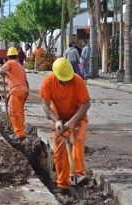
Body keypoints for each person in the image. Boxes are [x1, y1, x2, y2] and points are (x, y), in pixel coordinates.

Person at [40, 57, 91, 195]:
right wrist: (56, 121)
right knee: (60, 152)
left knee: (77, 140)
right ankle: (63, 184)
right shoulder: (48, 82)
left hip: (78, 118)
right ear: (55, 75)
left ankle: (78, 175)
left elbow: (86, 104)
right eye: (63, 80)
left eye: (68, 79)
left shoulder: (78, 81)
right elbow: (45, 105)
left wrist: (73, 121)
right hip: (59, 119)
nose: (66, 82)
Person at [0, 47, 29, 140]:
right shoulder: (20, 66)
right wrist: (8, 96)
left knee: (14, 113)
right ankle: (21, 131)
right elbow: (22, 83)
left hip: (17, 91)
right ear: (17, 56)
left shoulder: (10, 63)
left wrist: (2, 72)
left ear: (8, 56)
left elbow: (1, 70)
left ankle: (19, 134)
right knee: (20, 112)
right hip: (24, 91)